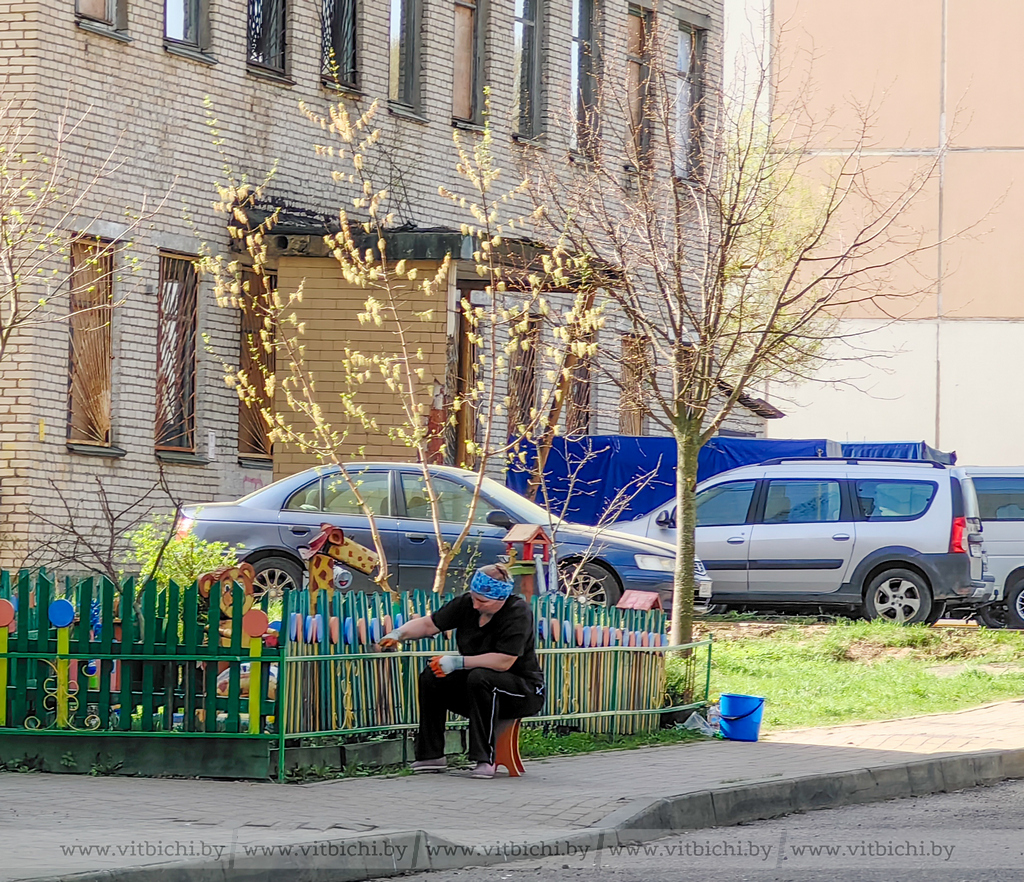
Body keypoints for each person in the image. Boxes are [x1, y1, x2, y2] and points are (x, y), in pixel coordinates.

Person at [379, 563, 545, 779]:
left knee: (480, 677)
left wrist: (458, 663)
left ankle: (485, 759)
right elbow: (430, 625)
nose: (475, 605)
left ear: (501, 599)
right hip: (478, 688)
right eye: (474, 597)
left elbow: (504, 661)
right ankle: (431, 755)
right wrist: (398, 634)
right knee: (433, 675)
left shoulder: (517, 612)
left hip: (523, 690)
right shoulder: (467, 604)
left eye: (482, 601)